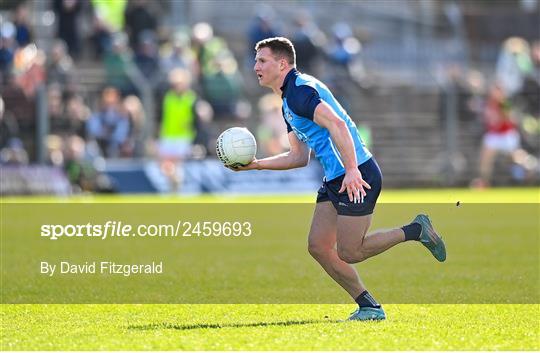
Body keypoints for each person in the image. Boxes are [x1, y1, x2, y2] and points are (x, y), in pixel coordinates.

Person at [230, 37, 447, 321]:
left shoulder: (300, 91)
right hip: (336, 178)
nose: (254, 65)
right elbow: (298, 157)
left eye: (262, 60)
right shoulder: (287, 100)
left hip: (357, 175)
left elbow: (337, 123)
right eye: (256, 60)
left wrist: (353, 169)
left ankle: (416, 230)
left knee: (350, 251)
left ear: (282, 64)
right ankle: (368, 306)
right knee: (318, 246)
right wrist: (256, 165)